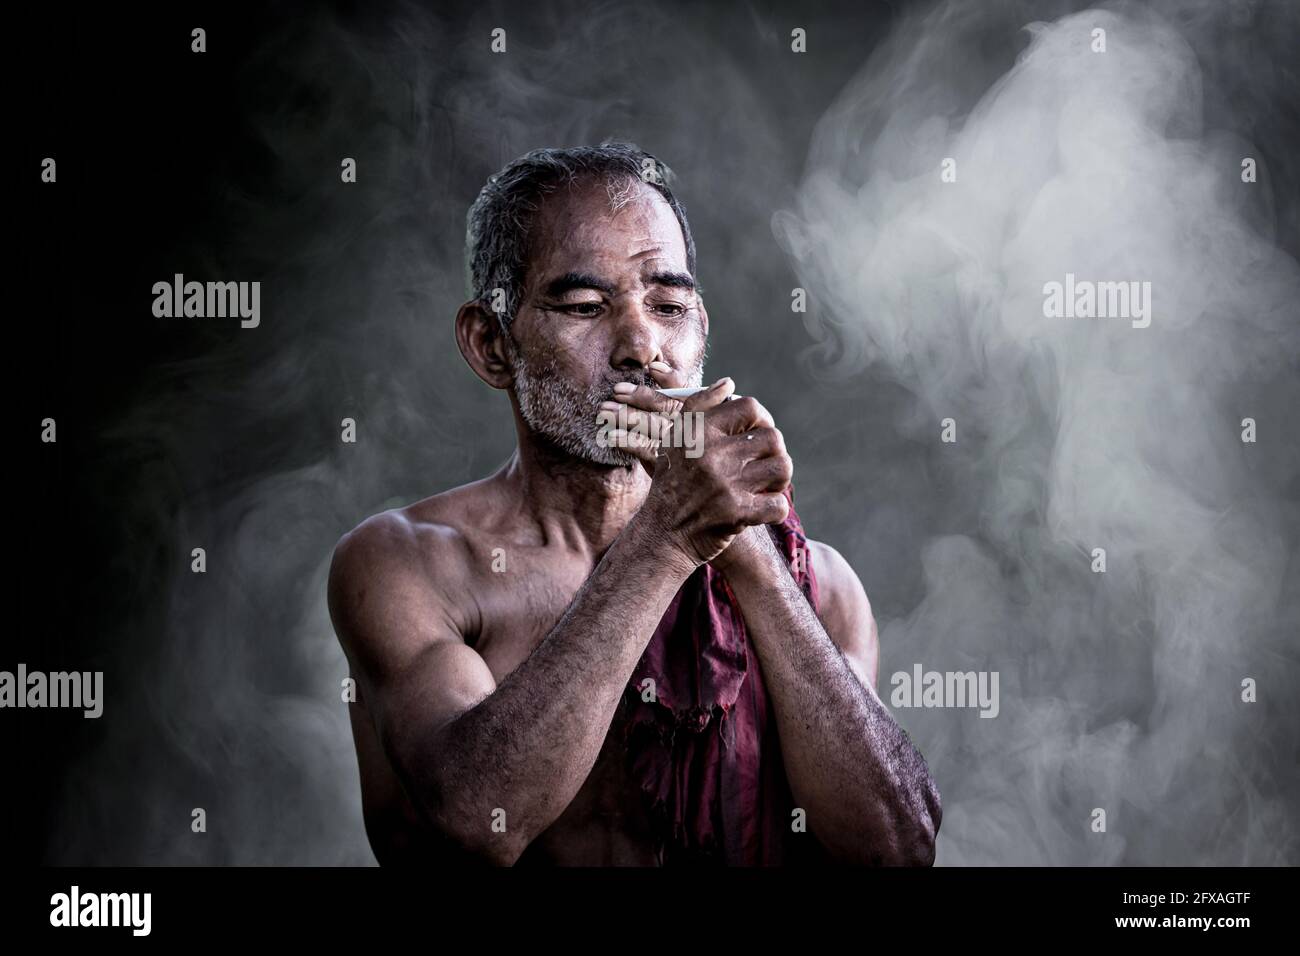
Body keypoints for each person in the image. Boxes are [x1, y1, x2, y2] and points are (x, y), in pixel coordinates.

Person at [327, 142, 941, 865]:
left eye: (669, 305)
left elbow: (898, 850)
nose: (641, 345)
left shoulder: (819, 585)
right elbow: (476, 822)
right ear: (491, 344)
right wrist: (668, 540)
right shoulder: (408, 565)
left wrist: (745, 552)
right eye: (586, 306)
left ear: (702, 331)